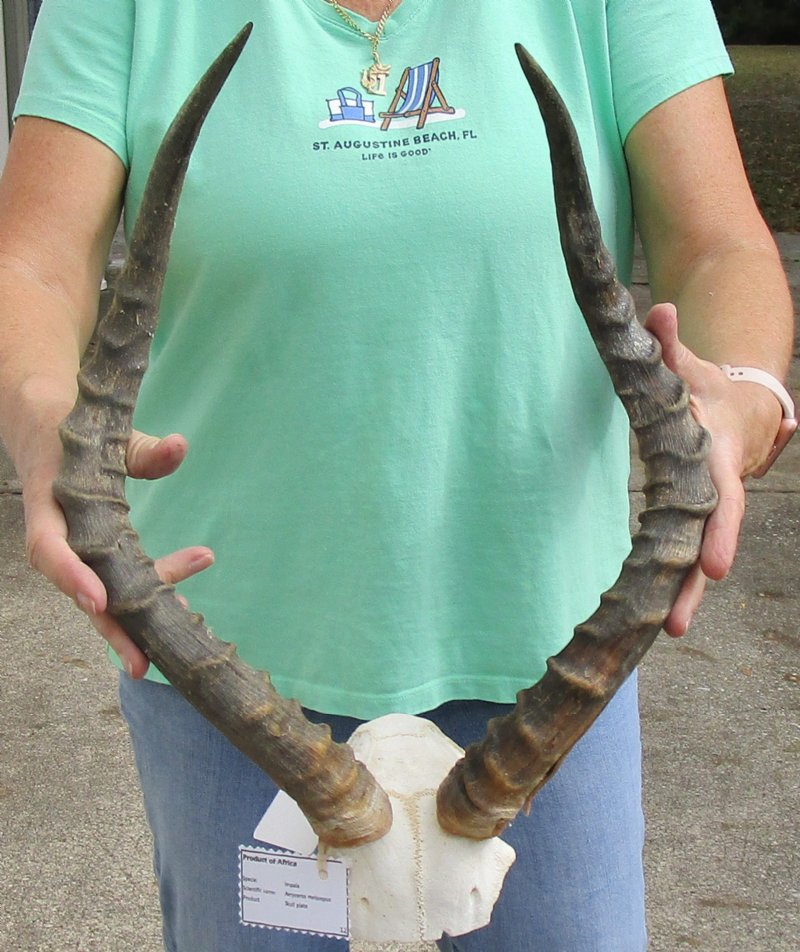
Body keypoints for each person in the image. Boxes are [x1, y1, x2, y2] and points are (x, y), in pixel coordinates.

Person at [0, 1, 794, 949]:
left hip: (555, 672)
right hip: (225, 676)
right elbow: (34, 263)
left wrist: (741, 389)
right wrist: (43, 418)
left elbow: (719, 244)